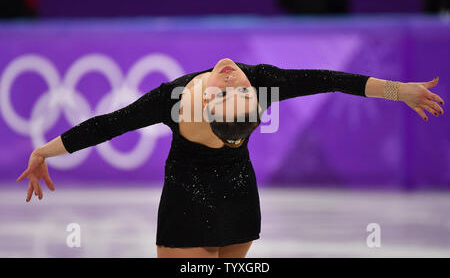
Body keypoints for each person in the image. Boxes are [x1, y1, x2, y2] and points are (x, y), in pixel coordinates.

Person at [16, 58, 445, 258]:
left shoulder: (199, 96)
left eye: (233, 92)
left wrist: (43, 151)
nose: (232, 77)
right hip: (210, 203)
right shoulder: (234, 89)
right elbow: (329, 80)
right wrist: (399, 90)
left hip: (227, 205)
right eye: (236, 91)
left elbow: (107, 125)